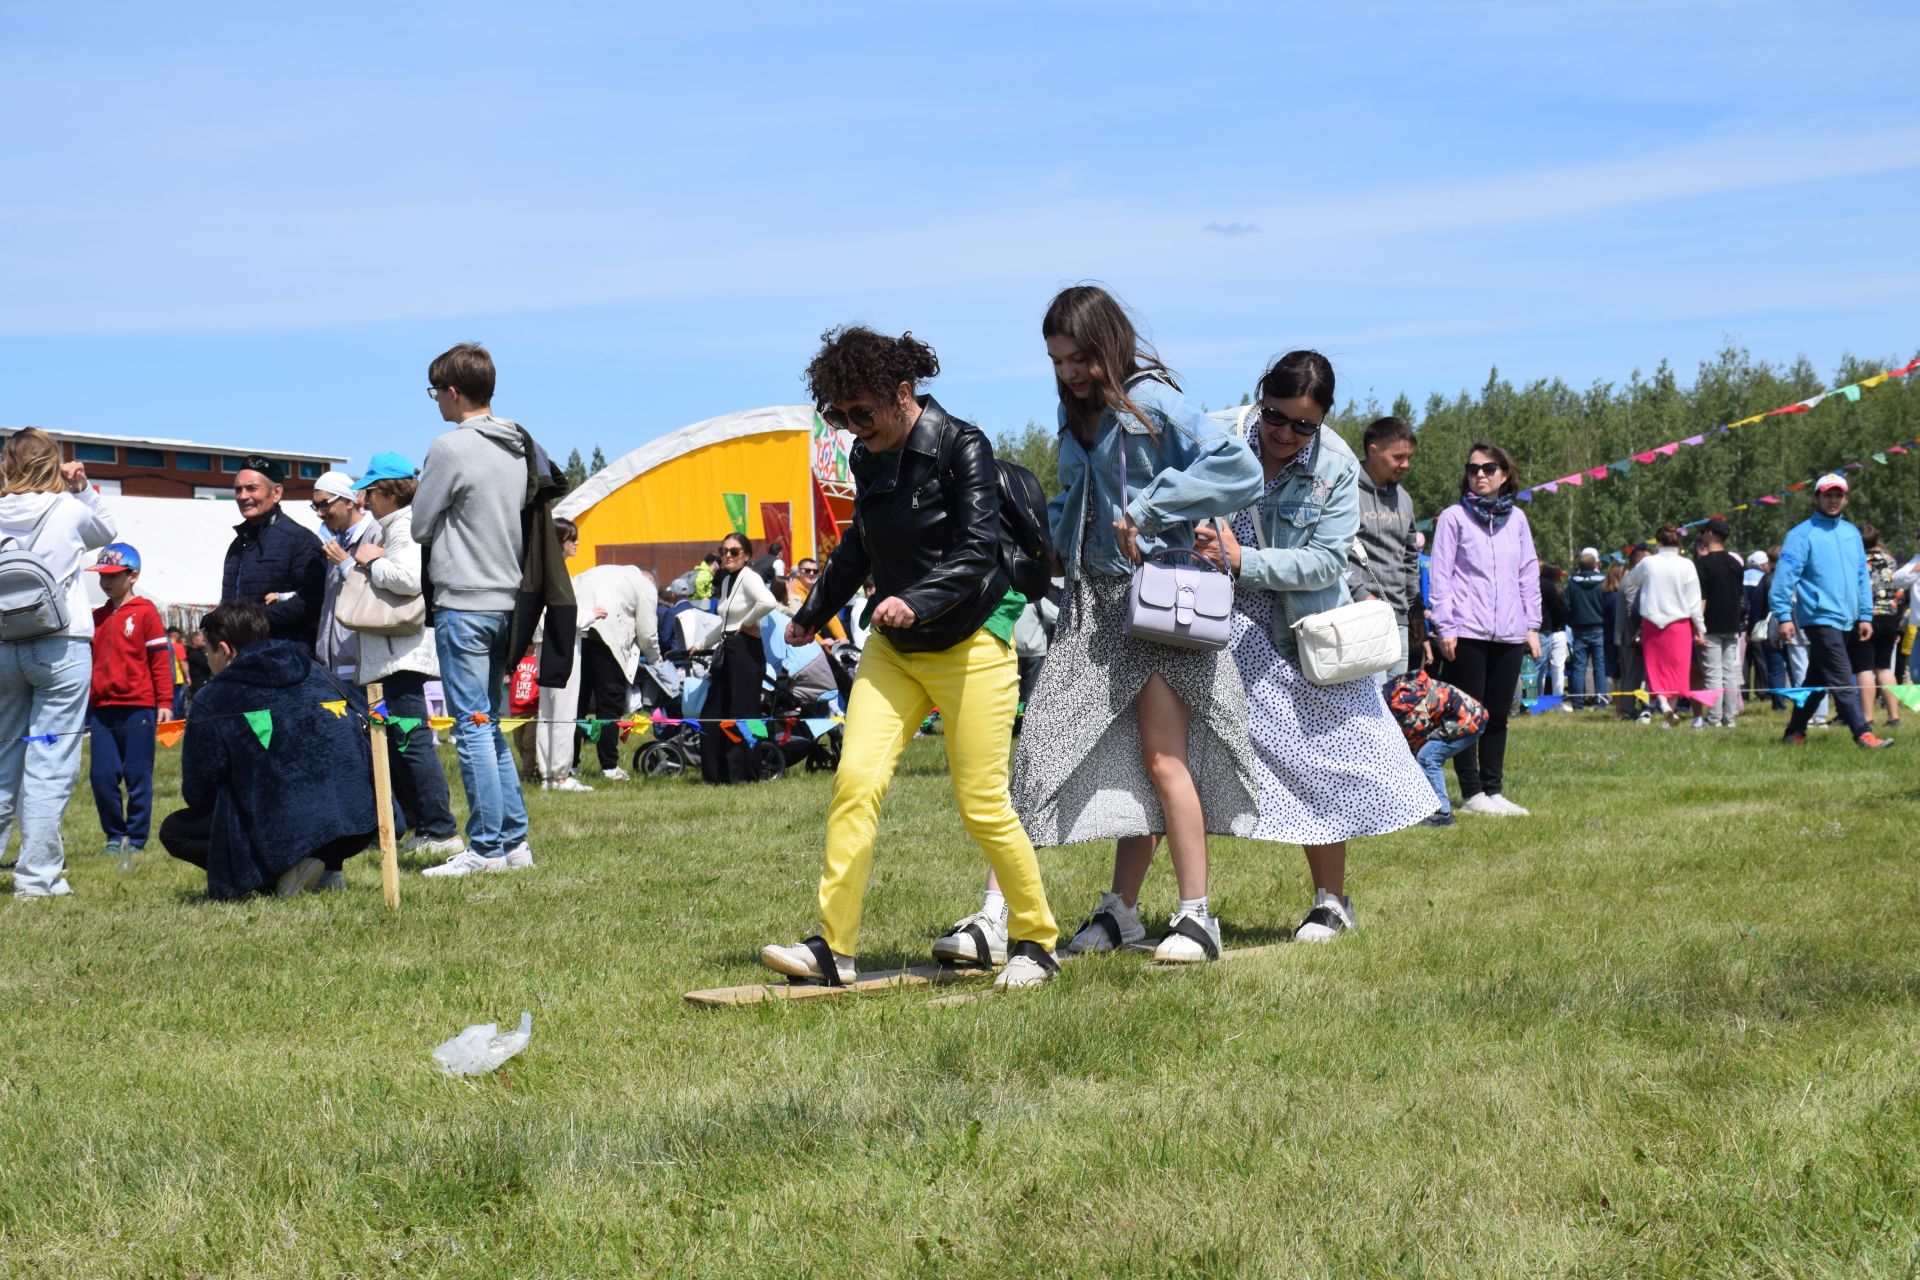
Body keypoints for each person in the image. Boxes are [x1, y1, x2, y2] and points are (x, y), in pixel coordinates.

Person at [759, 326, 1062, 989]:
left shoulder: (962, 447)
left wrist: (918, 600)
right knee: (854, 785)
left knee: (982, 803)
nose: (849, 427)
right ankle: (833, 950)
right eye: (837, 415)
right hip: (895, 653)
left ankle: (1036, 941)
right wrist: (812, 614)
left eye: (860, 412)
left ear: (902, 394)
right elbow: (858, 550)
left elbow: (978, 549)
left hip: (971, 642)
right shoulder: (868, 458)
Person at [1008, 285, 1265, 964]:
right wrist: (1037, 550)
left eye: (1079, 358)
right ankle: (1098, 911)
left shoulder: (1149, 401)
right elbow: (1072, 497)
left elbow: (1239, 468)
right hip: (1089, 606)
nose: (1068, 373)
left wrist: (1151, 510)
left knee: (1161, 759)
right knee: (1040, 753)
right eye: (1057, 361)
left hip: (1155, 601)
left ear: (1107, 344)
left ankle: (1195, 917)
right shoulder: (1078, 414)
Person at [1190, 351, 1437, 941]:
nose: (1287, 434)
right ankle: (1164, 907)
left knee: (1322, 759)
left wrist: (1245, 560)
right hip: (1207, 623)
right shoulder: (1217, 433)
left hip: (1299, 630)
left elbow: (1326, 561)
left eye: (1305, 425)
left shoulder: (1336, 463)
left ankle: (1331, 901)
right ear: (1260, 398)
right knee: (1179, 757)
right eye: (1277, 418)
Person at [411, 342, 546, 875]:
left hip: (463, 600)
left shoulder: (449, 447)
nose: (435, 404)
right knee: (489, 724)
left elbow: (420, 525)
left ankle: (486, 847)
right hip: (506, 600)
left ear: (452, 391)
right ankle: (513, 844)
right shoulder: (518, 444)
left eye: (435, 392)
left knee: (472, 726)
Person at [160, 601, 379, 898]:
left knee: (176, 830)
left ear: (224, 650)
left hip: (290, 825)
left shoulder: (215, 697)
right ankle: (327, 868)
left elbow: (200, 790)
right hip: (360, 819)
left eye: (208, 652)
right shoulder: (318, 672)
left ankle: (276, 878)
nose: (208, 660)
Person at [0, 430, 116, 900]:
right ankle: (38, 877)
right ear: (54, 463)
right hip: (61, 644)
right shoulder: (68, 510)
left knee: (4, 757)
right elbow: (107, 533)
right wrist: (80, 484)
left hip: (6, 643)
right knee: (50, 760)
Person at [346, 452, 463, 861]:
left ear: (388, 492)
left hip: (403, 653)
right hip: (396, 651)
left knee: (412, 741)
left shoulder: (404, 526)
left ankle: (440, 828)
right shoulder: (395, 526)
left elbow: (409, 580)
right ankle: (422, 825)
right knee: (402, 740)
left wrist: (373, 561)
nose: (365, 502)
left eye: (370, 493)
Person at [1428, 443, 1540, 815]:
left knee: (1498, 714)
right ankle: (1471, 792)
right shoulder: (1453, 517)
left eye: (1489, 468)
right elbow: (1440, 574)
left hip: (1509, 631)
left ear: (1504, 474)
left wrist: (1532, 625)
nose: (1480, 474)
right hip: (1467, 631)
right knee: (1467, 715)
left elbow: (1528, 573)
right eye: (1473, 468)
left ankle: (1494, 790)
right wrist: (1445, 625)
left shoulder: (1518, 520)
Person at [1770, 474, 1891, 749]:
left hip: (1848, 619)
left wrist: (1865, 615)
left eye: (1839, 495)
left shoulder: (1851, 533)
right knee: (1841, 676)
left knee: (1818, 680)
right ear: (1816, 498)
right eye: (1828, 495)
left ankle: (1794, 732)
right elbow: (1783, 579)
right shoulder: (1801, 534)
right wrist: (1783, 616)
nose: (1833, 500)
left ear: (1846, 499)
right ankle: (1863, 733)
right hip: (1819, 617)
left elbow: (1862, 577)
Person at [83, 543, 173, 869]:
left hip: (138, 707)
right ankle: (112, 835)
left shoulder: (146, 612)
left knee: (137, 776)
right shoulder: (96, 616)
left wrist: (165, 701)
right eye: (102, 576)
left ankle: (135, 839)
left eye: (112, 575)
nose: (105, 582)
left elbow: (160, 660)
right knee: (102, 776)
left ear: (132, 576)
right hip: (102, 709)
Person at [221, 455, 327, 647]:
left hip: (286, 660)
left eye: (251, 488)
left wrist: (251, 619)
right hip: (242, 658)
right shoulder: (237, 545)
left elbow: (313, 601)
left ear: (276, 492)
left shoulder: (300, 541)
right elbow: (228, 601)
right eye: (238, 489)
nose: (243, 496)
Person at [699, 531, 779, 784]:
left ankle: (744, 773)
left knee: (743, 714)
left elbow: (768, 601)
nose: (728, 555)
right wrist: (700, 644)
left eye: (734, 551)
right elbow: (725, 621)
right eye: (724, 551)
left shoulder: (750, 578)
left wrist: (746, 622)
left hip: (745, 651)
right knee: (714, 712)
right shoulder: (725, 581)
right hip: (729, 649)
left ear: (746, 555)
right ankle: (718, 773)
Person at [571, 560, 661, 781]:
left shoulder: (590, 572)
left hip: (576, 639)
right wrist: (656, 660)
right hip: (609, 642)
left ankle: (569, 765)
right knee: (609, 707)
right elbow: (647, 630)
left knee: (575, 705)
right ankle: (609, 767)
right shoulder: (644, 584)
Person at [1349, 415, 1420, 682]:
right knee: (1371, 707)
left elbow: (1410, 556)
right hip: (1361, 616)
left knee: (1396, 704)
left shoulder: (1404, 499)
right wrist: (1359, 593)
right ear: (1373, 450)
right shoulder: (1345, 490)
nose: (1406, 465)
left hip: (1398, 619)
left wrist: (1414, 609)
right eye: (1399, 457)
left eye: (1409, 457)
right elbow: (1333, 550)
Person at [1384, 670, 1488, 828]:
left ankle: (1442, 814)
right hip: (1472, 714)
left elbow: (1420, 733)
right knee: (1421, 757)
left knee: (1427, 758)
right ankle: (1424, 807)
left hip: (1466, 720)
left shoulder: (1402, 704)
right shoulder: (1399, 691)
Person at [1627, 526, 1705, 726]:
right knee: (1677, 671)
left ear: (1658, 543)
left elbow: (1631, 580)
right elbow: (1694, 601)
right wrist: (1701, 629)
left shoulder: (1648, 563)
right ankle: (1669, 709)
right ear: (1678, 543)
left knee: (1655, 669)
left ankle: (1664, 705)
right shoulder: (1687, 564)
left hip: (1652, 624)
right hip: (1679, 625)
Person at [311, 470, 383, 684]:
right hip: (331, 662)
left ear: (349, 502)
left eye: (325, 504)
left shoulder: (376, 533)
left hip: (362, 661)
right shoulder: (334, 541)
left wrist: (344, 561)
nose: (319, 513)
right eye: (315, 506)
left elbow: (379, 590)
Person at [1689, 520, 1746, 729]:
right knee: (1730, 674)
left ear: (1711, 534)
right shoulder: (1736, 564)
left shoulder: (1702, 564)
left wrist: (1698, 627)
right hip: (1732, 626)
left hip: (1711, 627)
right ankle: (1729, 719)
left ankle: (1714, 720)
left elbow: (1701, 599)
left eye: (1705, 533)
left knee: (1712, 675)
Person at [1858, 524, 1903, 731]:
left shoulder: (1858, 561)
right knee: (1885, 667)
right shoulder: (1891, 561)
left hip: (1866, 616)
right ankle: (1894, 716)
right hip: (1890, 616)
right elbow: (1900, 591)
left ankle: (1867, 718)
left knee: (1865, 667)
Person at [1565, 547, 1609, 709]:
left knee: (1579, 668)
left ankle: (1577, 703)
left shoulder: (1572, 583)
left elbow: (1566, 606)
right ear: (1595, 565)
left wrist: (1571, 621)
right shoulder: (1603, 581)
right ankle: (1601, 702)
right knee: (1599, 667)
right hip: (1599, 628)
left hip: (1579, 629)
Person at [1743, 550, 1780, 710]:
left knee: (1745, 661)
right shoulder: (1764, 578)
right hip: (1763, 624)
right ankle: (1763, 691)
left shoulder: (1743, 576)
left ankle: (1743, 692)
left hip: (1744, 623)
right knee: (1762, 661)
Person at [1538, 563, 1569, 697]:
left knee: (1539, 668)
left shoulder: (1538, 584)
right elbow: (1557, 609)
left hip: (1543, 629)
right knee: (1557, 668)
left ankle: (1534, 700)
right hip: (1553, 629)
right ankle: (1556, 699)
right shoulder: (1554, 588)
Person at [165, 626, 190, 718]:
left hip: (165, 680)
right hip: (177, 680)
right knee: (177, 704)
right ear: (175, 635)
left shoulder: (163, 646)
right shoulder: (178, 647)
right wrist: (187, 677)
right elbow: (183, 663)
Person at [186, 629, 213, 701]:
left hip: (203, 681)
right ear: (195, 641)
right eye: (202, 640)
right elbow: (208, 664)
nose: (204, 642)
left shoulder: (199, 652)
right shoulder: (193, 654)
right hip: (198, 683)